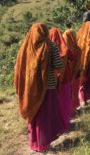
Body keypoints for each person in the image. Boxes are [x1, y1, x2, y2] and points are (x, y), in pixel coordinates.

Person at [14, 23, 64, 152]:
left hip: (30, 88)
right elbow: (58, 65)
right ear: (45, 32)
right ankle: (45, 143)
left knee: (35, 113)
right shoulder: (51, 45)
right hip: (48, 87)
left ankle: (35, 143)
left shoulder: (26, 47)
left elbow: (19, 68)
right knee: (46, 115)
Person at [49, 28, 73, 131]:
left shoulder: (47, 49)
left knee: (56, 103)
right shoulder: (65, 49)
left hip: (52, 81)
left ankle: (57, 124)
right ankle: (65, 122)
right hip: (65, 77)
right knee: (65, 101)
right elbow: (73, 57)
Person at [63, 27, 82, 116]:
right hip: (75, 74)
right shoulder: (77, 49)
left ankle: (70, 110)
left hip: (66, 76)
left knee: (69, 94)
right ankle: (73, 110)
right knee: (74, 92)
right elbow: (78, 63)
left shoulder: (63, 50)